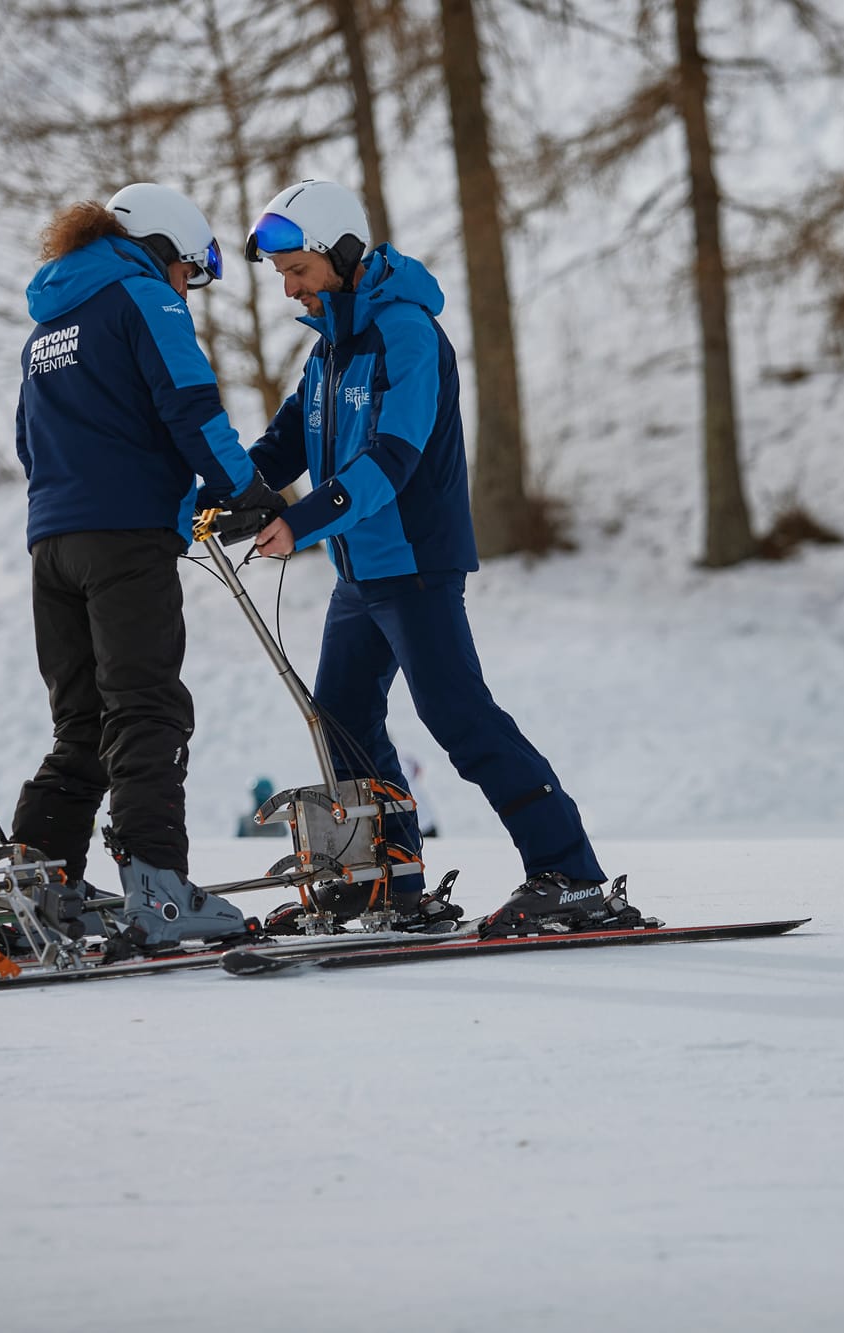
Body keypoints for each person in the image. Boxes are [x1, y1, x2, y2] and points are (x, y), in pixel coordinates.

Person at [236, 180, 638, 938]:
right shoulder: (331, 345)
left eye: (299, 270)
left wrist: (304, 520)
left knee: (458, 714)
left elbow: (394, 458)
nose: (290, 288)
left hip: (415, 565)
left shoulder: (405, 333)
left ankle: (574, 875)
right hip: (362, 573)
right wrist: (225, 494)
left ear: (343, 255)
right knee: (342, 720)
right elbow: (286, 440)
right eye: (283, 274)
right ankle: (386, 880)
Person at [8, 182, 289, 957]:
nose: (185, 295)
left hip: (52, 543)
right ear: (163, 247)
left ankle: (40, 882)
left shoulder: (48, 325)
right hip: (123, 539)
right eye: (188, 275)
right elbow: (191, 404)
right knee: (148, 709)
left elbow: (31, 445)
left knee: (84, 720)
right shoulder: (141, 295)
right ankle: (161, 888)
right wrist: (247, 491)